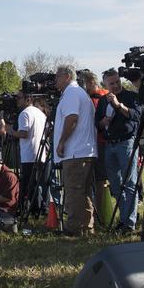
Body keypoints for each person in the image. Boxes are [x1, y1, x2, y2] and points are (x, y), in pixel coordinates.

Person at [54, 65, 98, 235]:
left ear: (66, 76)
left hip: (75, 152)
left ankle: (74, 228)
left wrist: (62, 142)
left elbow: (72, 118)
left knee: (73, 190)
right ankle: (86, 226)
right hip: (83, 151)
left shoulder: (72, 93)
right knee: (82, 192)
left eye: (57, 77)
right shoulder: (78, 93)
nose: (55, 80)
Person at [100, 68, 143, 232]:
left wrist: (119, 106)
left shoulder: (131, 96)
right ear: (106, 85)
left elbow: (136, 116)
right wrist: (102, 123)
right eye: (112, 83)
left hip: (126, 142)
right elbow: (97, 122)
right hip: (109, 144)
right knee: (116, 185)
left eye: (117, 82)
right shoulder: (104, 100)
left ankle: (129, 222)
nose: (116, 85)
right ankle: (123, 218)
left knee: (130, 183)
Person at [5, 92, 48, 215]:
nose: (17, 101)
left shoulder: (25, 113)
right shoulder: (40, 113)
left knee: (30, 184)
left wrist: (11, 131)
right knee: (38, 183)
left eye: (19, 98)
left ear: (28, 99)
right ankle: (40, 207)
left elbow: (24, 133)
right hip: (41, 153)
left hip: (29, 154)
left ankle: (35, 210)